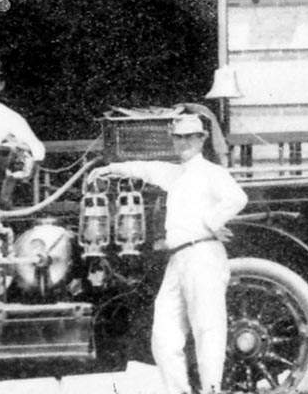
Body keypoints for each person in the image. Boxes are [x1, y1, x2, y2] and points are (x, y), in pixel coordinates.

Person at [87, 113, 248, 394]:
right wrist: (109, 168)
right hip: (178, 259)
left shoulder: (212, 172)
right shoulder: (175, 173)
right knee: (164, 336)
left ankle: (212, 390)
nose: (184, 143)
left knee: (207, 329)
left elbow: (237, 198)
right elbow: (146, 169)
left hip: (203, 255)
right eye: (179, 138)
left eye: (190, 137)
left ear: (201, 140)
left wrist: (210, 223)